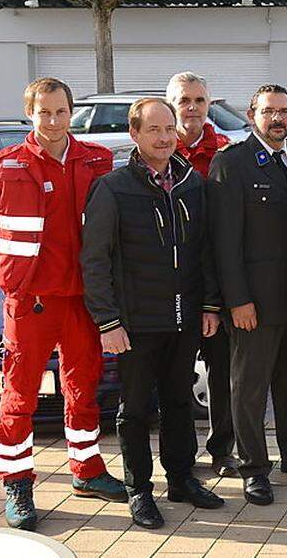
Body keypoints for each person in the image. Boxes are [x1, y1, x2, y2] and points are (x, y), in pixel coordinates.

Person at [0, 78, 126, 531]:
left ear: (71, 112)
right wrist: (19, 283)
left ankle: (86, 469)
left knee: (84, 384)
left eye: (61, 112)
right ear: (30, 113)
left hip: (83, 299)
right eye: (44, 112)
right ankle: (16, 480)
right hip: (32, 302)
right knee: (20, 392)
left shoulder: (95, 160)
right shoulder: (5, 168)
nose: (53, 121)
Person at [80, 98, 225, 527]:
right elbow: (95, 260)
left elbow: (206, 250)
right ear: (135, 135)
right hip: (136, 323)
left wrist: (210, 304)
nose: (164, 138)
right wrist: (108, 322)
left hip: (184, 318)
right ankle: (139, 489)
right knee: (136, 409)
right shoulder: (113, 188)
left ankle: (181, 478)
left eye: (169, 129)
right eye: (153, 130)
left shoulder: (191, 184)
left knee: (180, 402)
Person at [208, 84, 287, 505]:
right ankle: (254, 468)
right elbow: (224, 242)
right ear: (252, 114)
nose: (278, 118)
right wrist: (237, 300)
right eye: (269, 111)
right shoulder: (232, 163)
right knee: (250, 388)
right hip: (254, 304)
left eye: (285, 111)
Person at [166, 71, 236, 478]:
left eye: (198, 100)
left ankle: (223, 449)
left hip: (218, 284)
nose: (191, 108)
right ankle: (180, 455)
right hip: (172, 284)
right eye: (183, 100)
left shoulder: (226, 153)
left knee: (222, 373)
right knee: (175, 375)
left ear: (209, 104)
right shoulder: (156, 151)